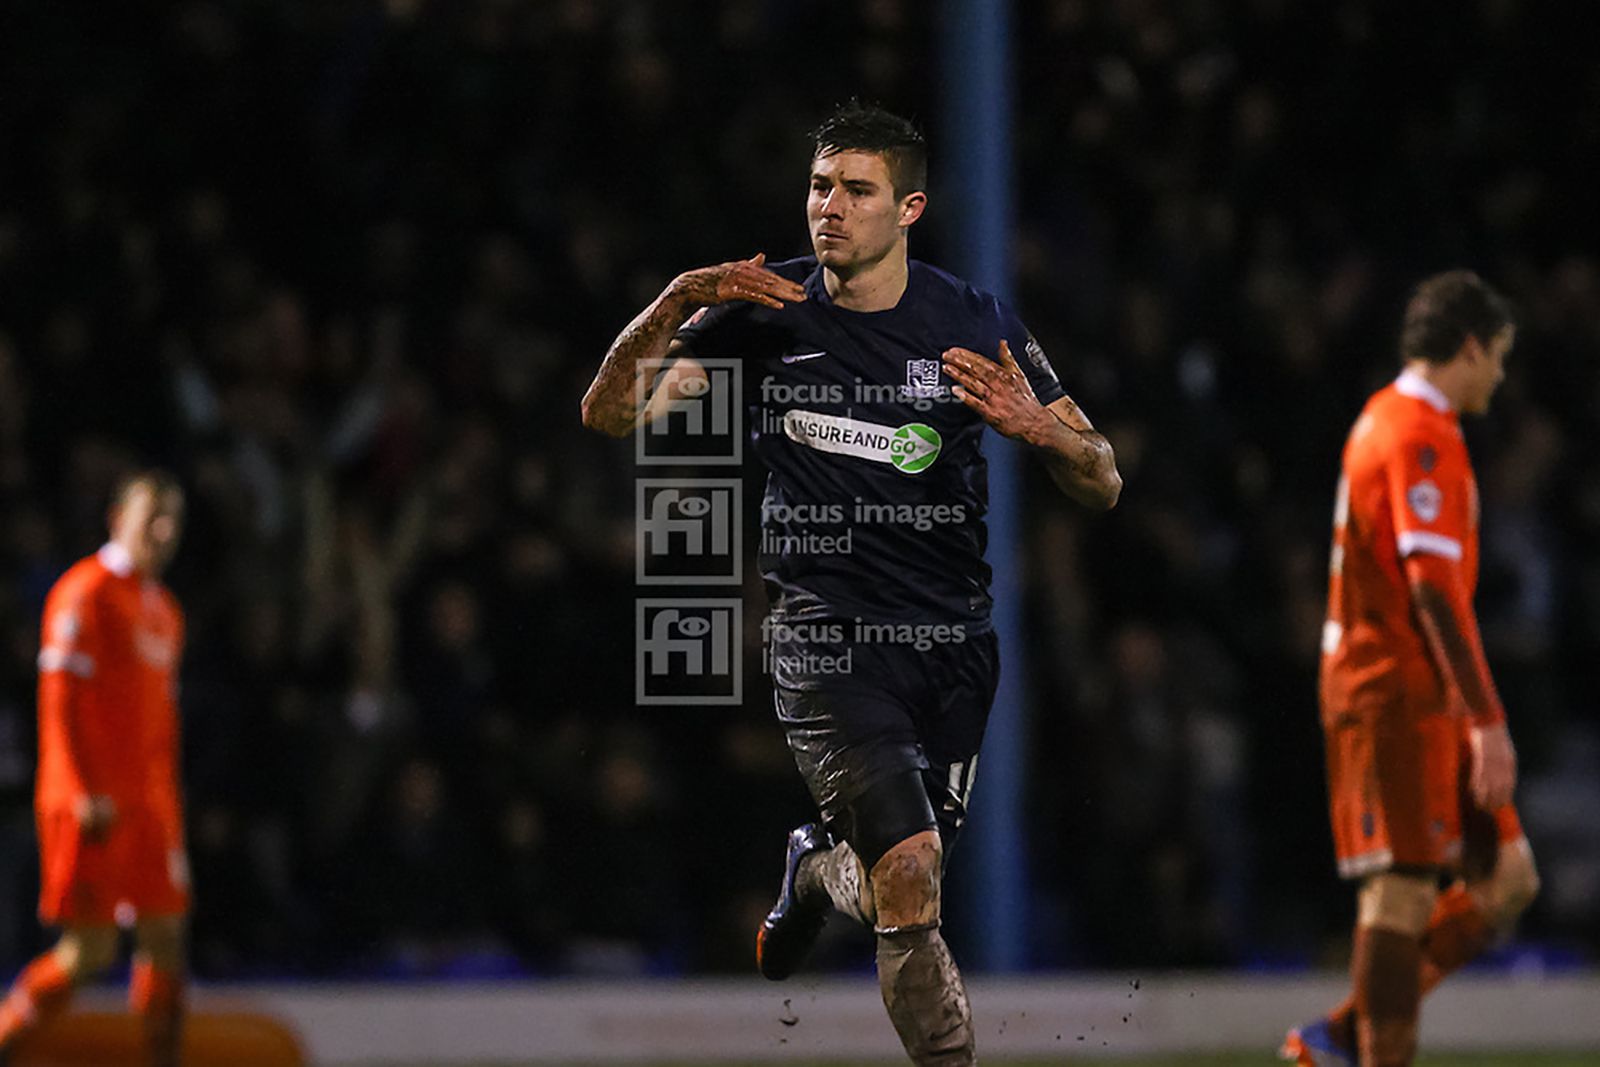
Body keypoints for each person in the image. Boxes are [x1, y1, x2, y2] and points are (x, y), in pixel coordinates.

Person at [582, 102, 1121, 1065]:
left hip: (953, 643)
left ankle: (818, 871)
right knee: (913, 872)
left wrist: (1041, 431)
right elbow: (611, 414)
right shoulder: (762, 313)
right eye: (821, 186)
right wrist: (673, 302)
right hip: (826, 637)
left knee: (893, 885)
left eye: (856, 190)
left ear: (908, 208)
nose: (830, 207)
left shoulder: (973, 322)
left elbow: (1104, 477)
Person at [1283, 272, 1540, 1067]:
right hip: (1388, 690)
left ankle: (1338, 1035)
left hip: (1424, 693)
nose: (1499, 373)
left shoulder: (1401, 425)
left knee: (1510, 879)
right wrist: (1489, 720)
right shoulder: (1414, 432)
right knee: (1398, 892)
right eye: (1496, 356)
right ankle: (1368, 1051)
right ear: (1468, 346)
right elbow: (1430, 587)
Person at [0, 471, 190, 1067]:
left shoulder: (166, 611)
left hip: (150, 805)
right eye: (149, 517)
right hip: (94, 802)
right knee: (91, 952)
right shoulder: (84, 591)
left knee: (167, 936)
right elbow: (57, 701)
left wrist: (168, 799)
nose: (162, 531)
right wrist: (80, 790)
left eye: (171, 520)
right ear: (117, 520)